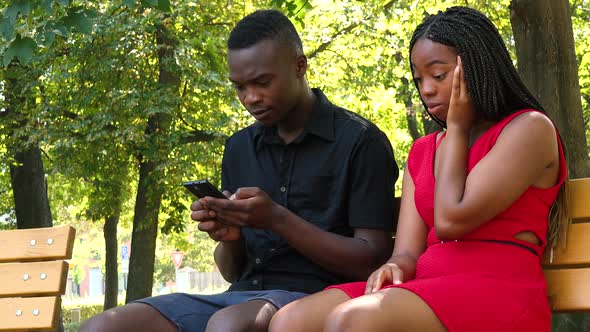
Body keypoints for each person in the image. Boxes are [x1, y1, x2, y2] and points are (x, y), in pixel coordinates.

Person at [80, 9, 398, 332]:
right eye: (239, 87)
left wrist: (275, 218)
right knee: (105, 326)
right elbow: (233, 272)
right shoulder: (239, 148)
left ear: (300, 66)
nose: (251, 98)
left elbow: (373, 260)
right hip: (242, 296)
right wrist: (230, 239)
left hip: (318, 299)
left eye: (262, 82)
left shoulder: (360, 141)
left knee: (227, 325)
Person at [269, 6, 568, 332]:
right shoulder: (424, 151)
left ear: (478, 67)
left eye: (438, 75)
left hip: (499, 290)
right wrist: (396, 265)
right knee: (290, 321)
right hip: (427, 286)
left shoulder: (529, 129)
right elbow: (408, 251)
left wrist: (456, 129)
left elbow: (452, 219)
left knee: (353, 319)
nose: (426, 89)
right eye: (418, 78)